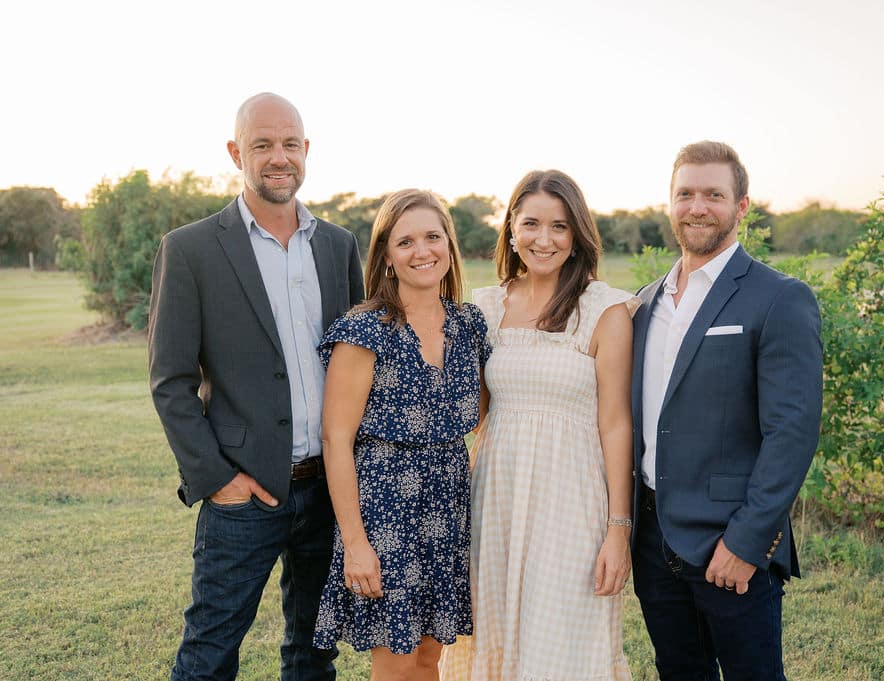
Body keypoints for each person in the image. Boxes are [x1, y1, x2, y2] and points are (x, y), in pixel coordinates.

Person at [148, 92, 363, 681]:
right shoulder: (190, 249)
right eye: (262, 144)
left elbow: (359, 366)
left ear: (306, 151)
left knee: (314, 652)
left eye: (289, 144)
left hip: (329, 490)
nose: (278, 157)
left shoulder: (339, 246)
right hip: (244, 494)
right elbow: (170, 381)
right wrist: (217, 479)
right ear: (235, 151)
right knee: (209, 654)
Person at [630, 140, 823, 680]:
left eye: (714, 194)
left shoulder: (779, 298)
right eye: (685, 194)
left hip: (729, 542)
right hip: (652, 541)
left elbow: (792, 432)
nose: (698, 206)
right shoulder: (644, 302)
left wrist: (746, 541)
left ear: (741, 206)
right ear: (670, 203)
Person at [440, 170, 637, 681]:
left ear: (577, 237)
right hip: (496, 497)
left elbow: (615, 424)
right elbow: (473, 413)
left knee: (562, 643)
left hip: (573, 502)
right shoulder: (483, 308)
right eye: (531, 224)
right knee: (496, 632)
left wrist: (619, 529)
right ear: (510, 229)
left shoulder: (605, 309)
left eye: (559, 227)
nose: (543, 239)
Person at [312, 189, 490, 680]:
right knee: (396, 662)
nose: (422, 251)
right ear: (387, 256)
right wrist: (355, 542)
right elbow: (336, 441)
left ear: (450, 246)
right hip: (386, 512)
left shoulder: (469, 325)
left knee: (431, 658)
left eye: (433, 237)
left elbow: (478, 413)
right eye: (405, 241)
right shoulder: (365, 330)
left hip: (448, 509)